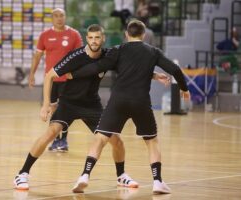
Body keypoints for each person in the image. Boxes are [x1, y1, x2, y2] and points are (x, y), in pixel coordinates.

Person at [14, 24, 169, 191]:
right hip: (69, 103)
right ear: (86, 39)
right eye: (90, 37)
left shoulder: (109, 55)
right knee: (51, 133)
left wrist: (153, 75)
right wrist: (46, 104)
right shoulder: (75, 56)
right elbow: (49, 76)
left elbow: (128, 69)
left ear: (103, 38)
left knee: (116, 141)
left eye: (97, 37)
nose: (94, 41)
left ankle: (121, 176)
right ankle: (22, 174)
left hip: (92, 104)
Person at [71, 20, 190, 194]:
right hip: (140, 101)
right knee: (151, 141)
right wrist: (184, 88)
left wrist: (72, 74)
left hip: (118, 100)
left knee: (100, 138)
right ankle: (157, 182)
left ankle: (84, 175)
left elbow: (97, 67)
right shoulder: (153, 52)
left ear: (127, 34)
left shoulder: (118, 50)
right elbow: (175, 70)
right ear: (143, 35)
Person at [28, 8, 83, 152]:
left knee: (65, 109)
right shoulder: (45, 35)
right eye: (56, 16)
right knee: (52, 109)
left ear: (66, 17)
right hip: (51, 81)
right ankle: (54, 140)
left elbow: (81, 57)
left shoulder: (74, 34)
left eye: (62, 15)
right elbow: (37, 56)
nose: (59, 18)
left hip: (68, 80)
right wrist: (32, 74)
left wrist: (79, 76)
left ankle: (63, 140)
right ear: (52, 18)